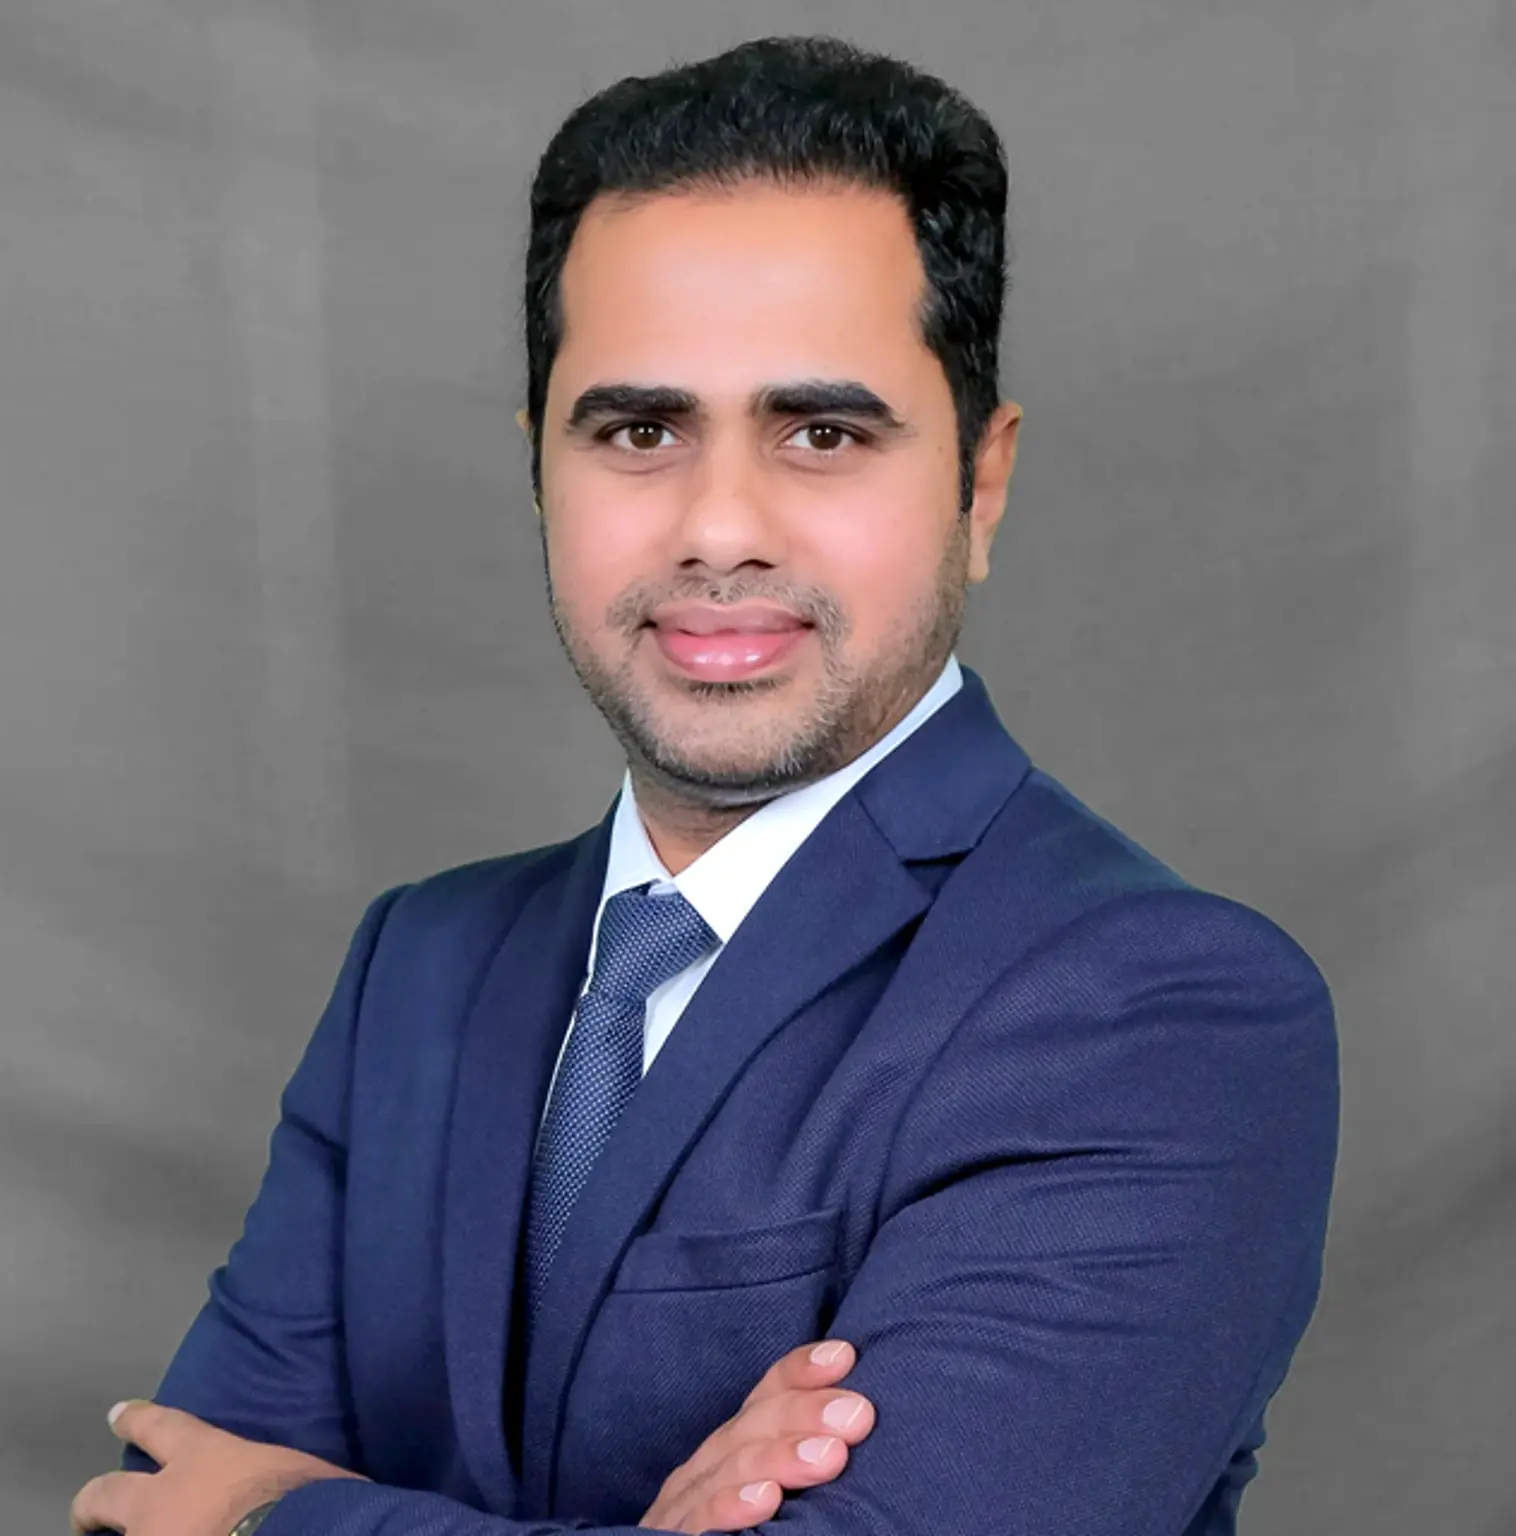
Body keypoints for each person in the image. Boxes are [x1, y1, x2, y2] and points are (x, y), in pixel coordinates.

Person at [70, 34, 1339, 1536]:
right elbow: (148, 1510)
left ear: (980, 485)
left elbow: (209, 1510)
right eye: (640, 430)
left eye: (822, 432)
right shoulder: (419, 967)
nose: (720, 525)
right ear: (541, 471)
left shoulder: (1159, 1011)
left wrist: (272, 1516)